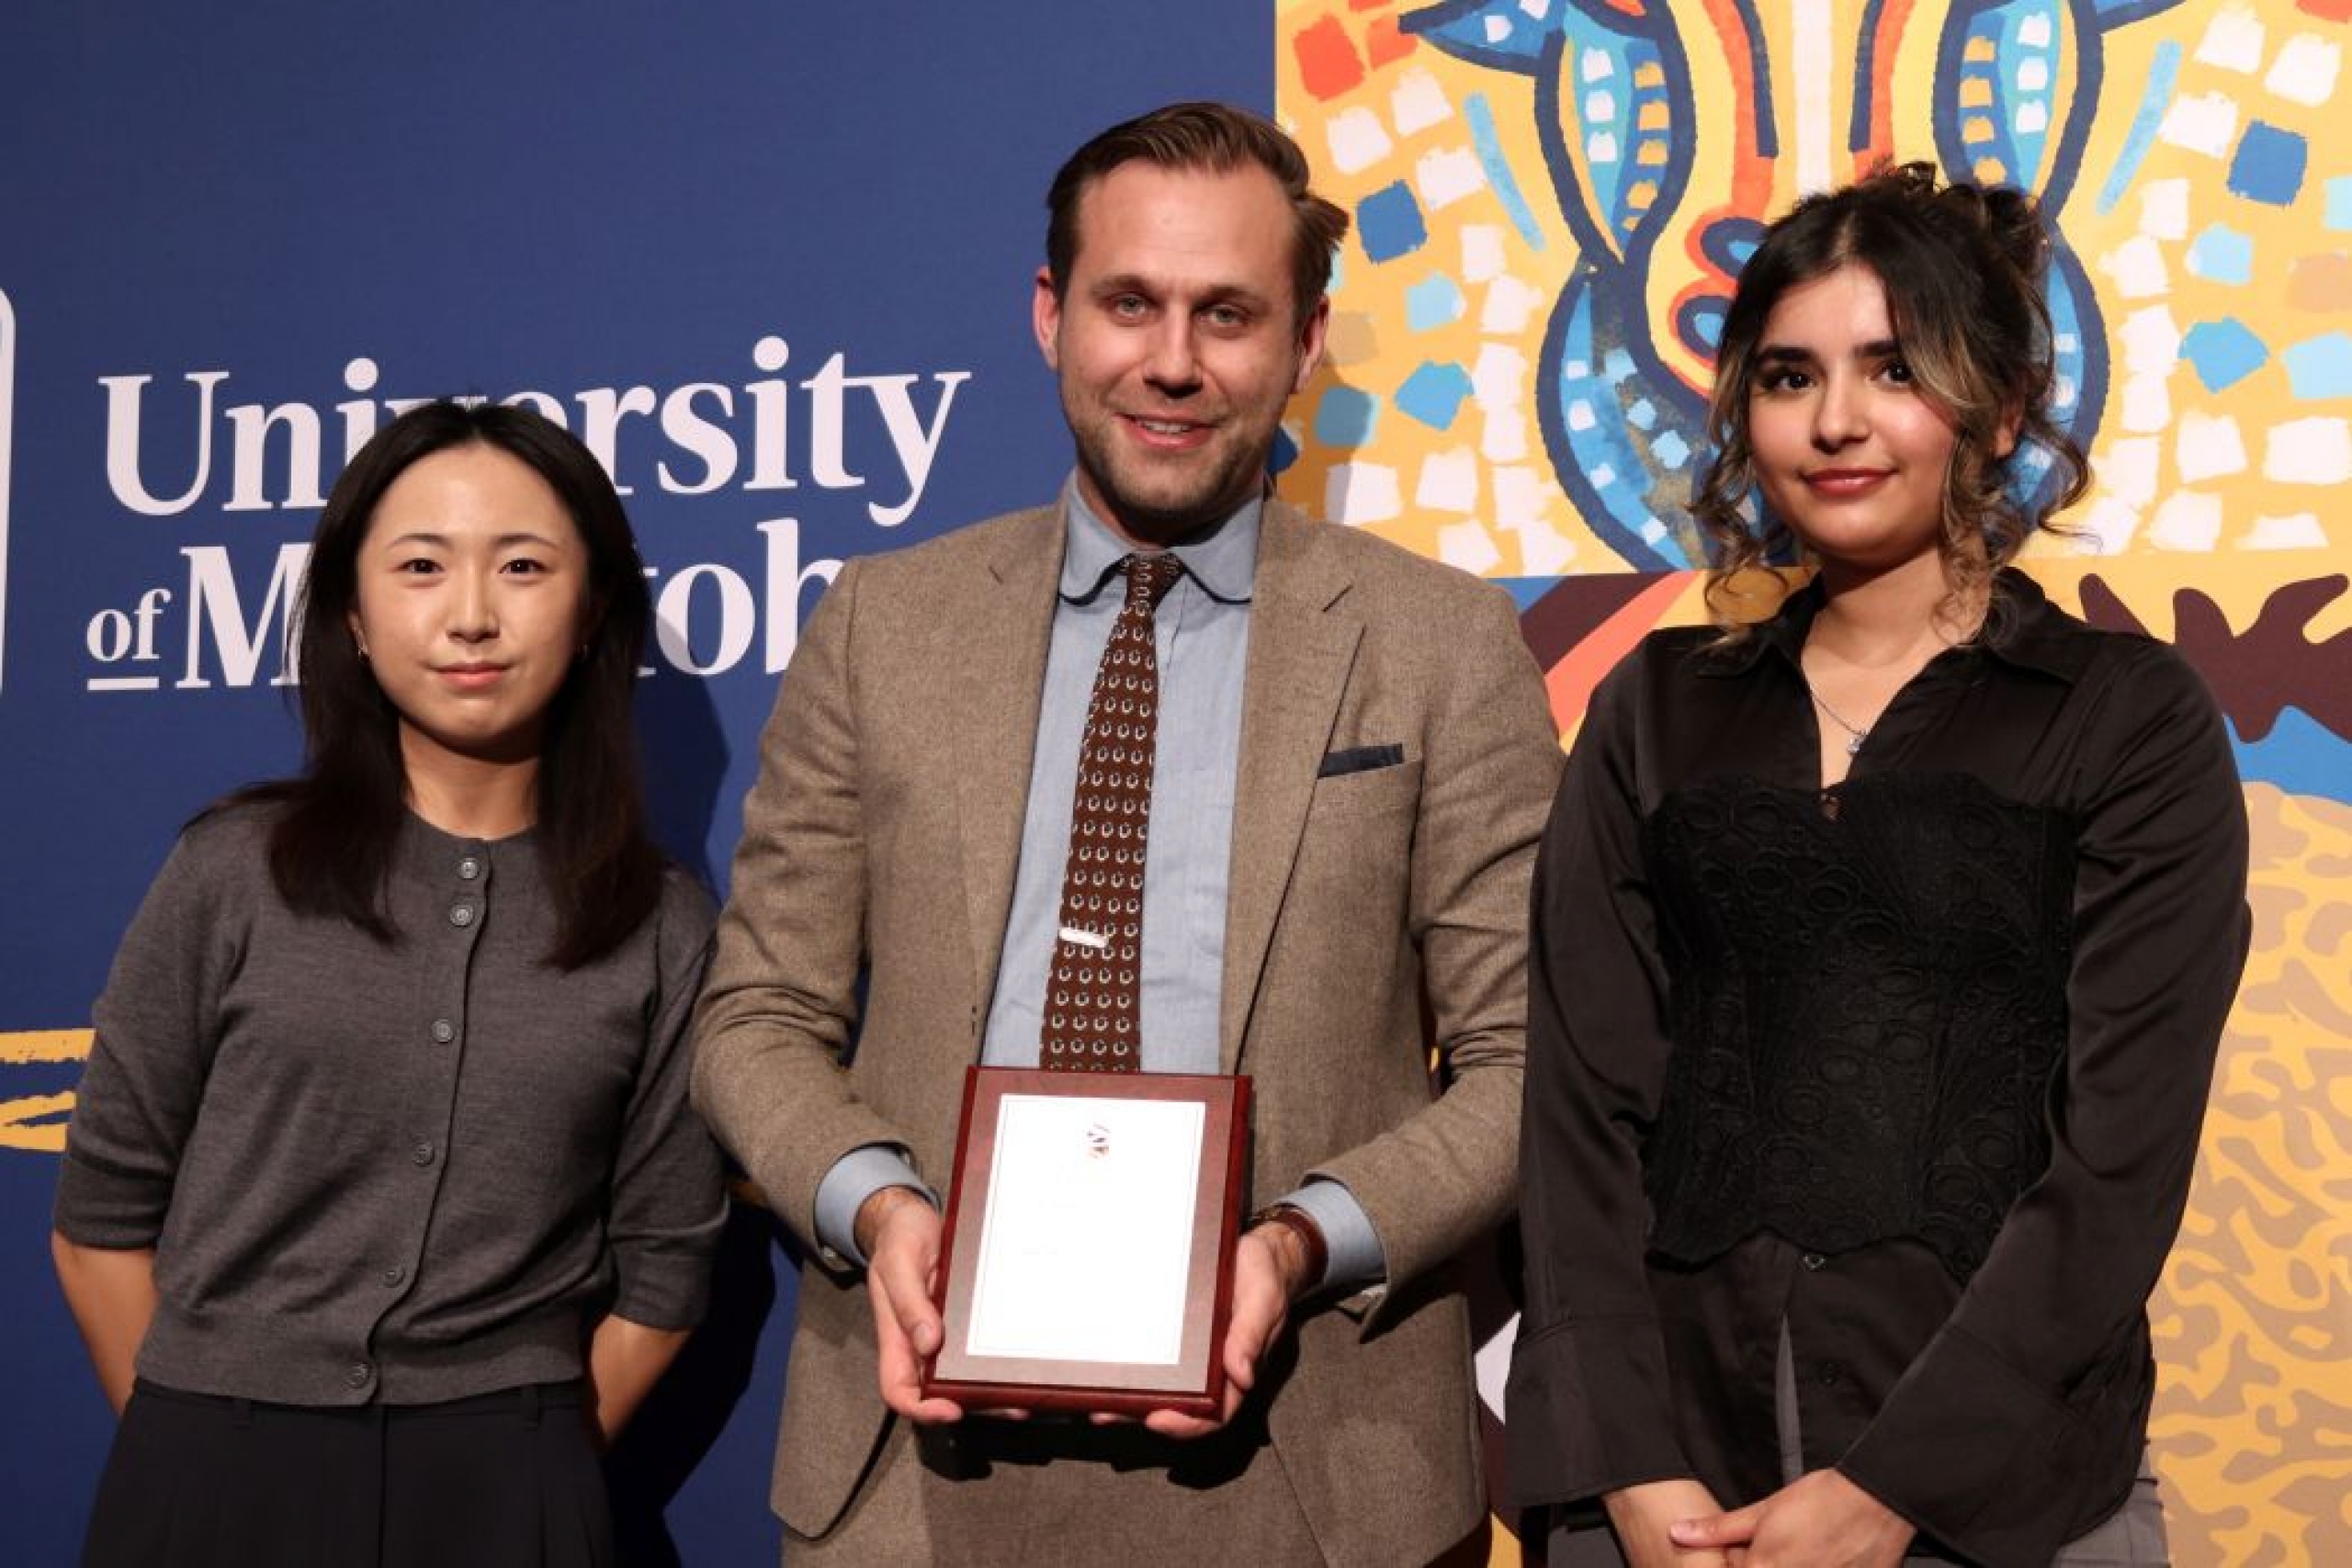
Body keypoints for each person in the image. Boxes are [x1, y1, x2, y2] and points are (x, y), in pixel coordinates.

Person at [691, 101, 1562, 1565]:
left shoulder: (1440, 641)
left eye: (1228, 313)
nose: (1172, 359)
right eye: (1129, 303)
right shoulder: (884, 626)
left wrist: (1297, 1243)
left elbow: (1534, 1055)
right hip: (911, 1472)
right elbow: (754, 1013)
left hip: (1312, 1470)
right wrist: (885, 1207)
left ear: (1304, 341)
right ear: (1050, 313)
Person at [1507, 164, 2252, 1567]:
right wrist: (1626, 1463)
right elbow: (1579, 1111)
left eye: (1895, 368)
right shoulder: (1654, 709)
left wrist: (1895, 1484)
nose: (1837, 419)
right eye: (1790, 375)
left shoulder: (2124, 714)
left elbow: (2119, 1160)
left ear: (2001, 407)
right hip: (1667, 1492)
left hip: (2004, 1500)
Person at [51, 400, 727, 1567]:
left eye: (522, 566)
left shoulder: (659, 923)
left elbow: (668, 1263)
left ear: (593, 610)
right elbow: (101, 1221)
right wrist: (195, 1446)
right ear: (354, 617)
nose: (471, 615)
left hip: (508, 1478)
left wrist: (533, 1469)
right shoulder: (235, 870)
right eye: (421, 566)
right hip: (208, 1468)